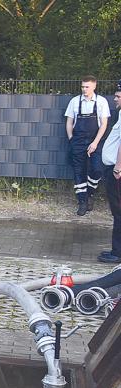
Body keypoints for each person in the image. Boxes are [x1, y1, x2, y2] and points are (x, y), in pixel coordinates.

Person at [65, 76, 111, 216]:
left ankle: (89, 194)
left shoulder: (101, 102)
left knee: (97, 170)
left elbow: (104, 124)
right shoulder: (74, 101)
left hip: (95, 141)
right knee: (79, 171)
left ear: (94, 86)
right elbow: (69, 122)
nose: (84, 89)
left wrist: (95, 142)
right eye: (83, 87)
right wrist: (71, 139)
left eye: (87, 87)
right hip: (77, 141)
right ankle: (82, 202)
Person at [98, 86, 121, 264]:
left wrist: (118, 166)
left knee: (119, 211)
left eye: (118, 96)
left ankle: (118, 252)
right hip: (113, 168)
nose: (115, 99)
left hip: (117, 171)